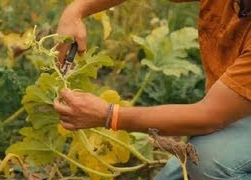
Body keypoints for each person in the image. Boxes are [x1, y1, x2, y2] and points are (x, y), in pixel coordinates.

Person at [54, 0, 251, 179]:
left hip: (226, 113)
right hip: (234, 105)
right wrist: (76, 10)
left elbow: (209, 116)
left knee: (207, 160)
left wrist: (109, 115)